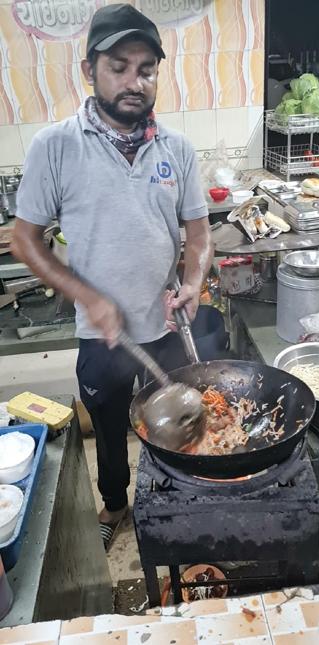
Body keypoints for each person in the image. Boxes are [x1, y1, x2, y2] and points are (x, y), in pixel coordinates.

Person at [10, 4, 214, 550]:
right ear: (89, 70)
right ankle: (117, 504)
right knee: (105, 427)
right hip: (99, 336)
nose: (134, 81)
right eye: (119, 66)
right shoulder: (54, 146)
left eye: (146, 68)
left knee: (179, 427)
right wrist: (88, 298)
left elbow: (198, 234)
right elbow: (23, 238)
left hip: (168, 327)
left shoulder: (177, 149)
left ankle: (179, 501)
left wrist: (193, 281)